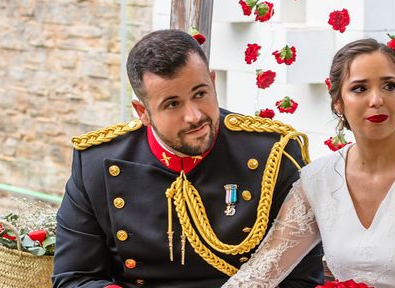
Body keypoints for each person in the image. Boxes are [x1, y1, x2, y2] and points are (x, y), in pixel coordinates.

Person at [52, 29, 324, 288]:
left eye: (200, 93)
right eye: (172, 104)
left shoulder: (273, 154)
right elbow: (74, 277)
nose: (194, 115)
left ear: (213, 82)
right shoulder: (96, 163)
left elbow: (300, 279)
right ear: (142, 111)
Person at [222, 38, 395, 288]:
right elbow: (259, 274)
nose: (377, 100)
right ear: (338, 103)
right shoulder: (317, 180)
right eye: (360, 89)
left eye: (388, 86)